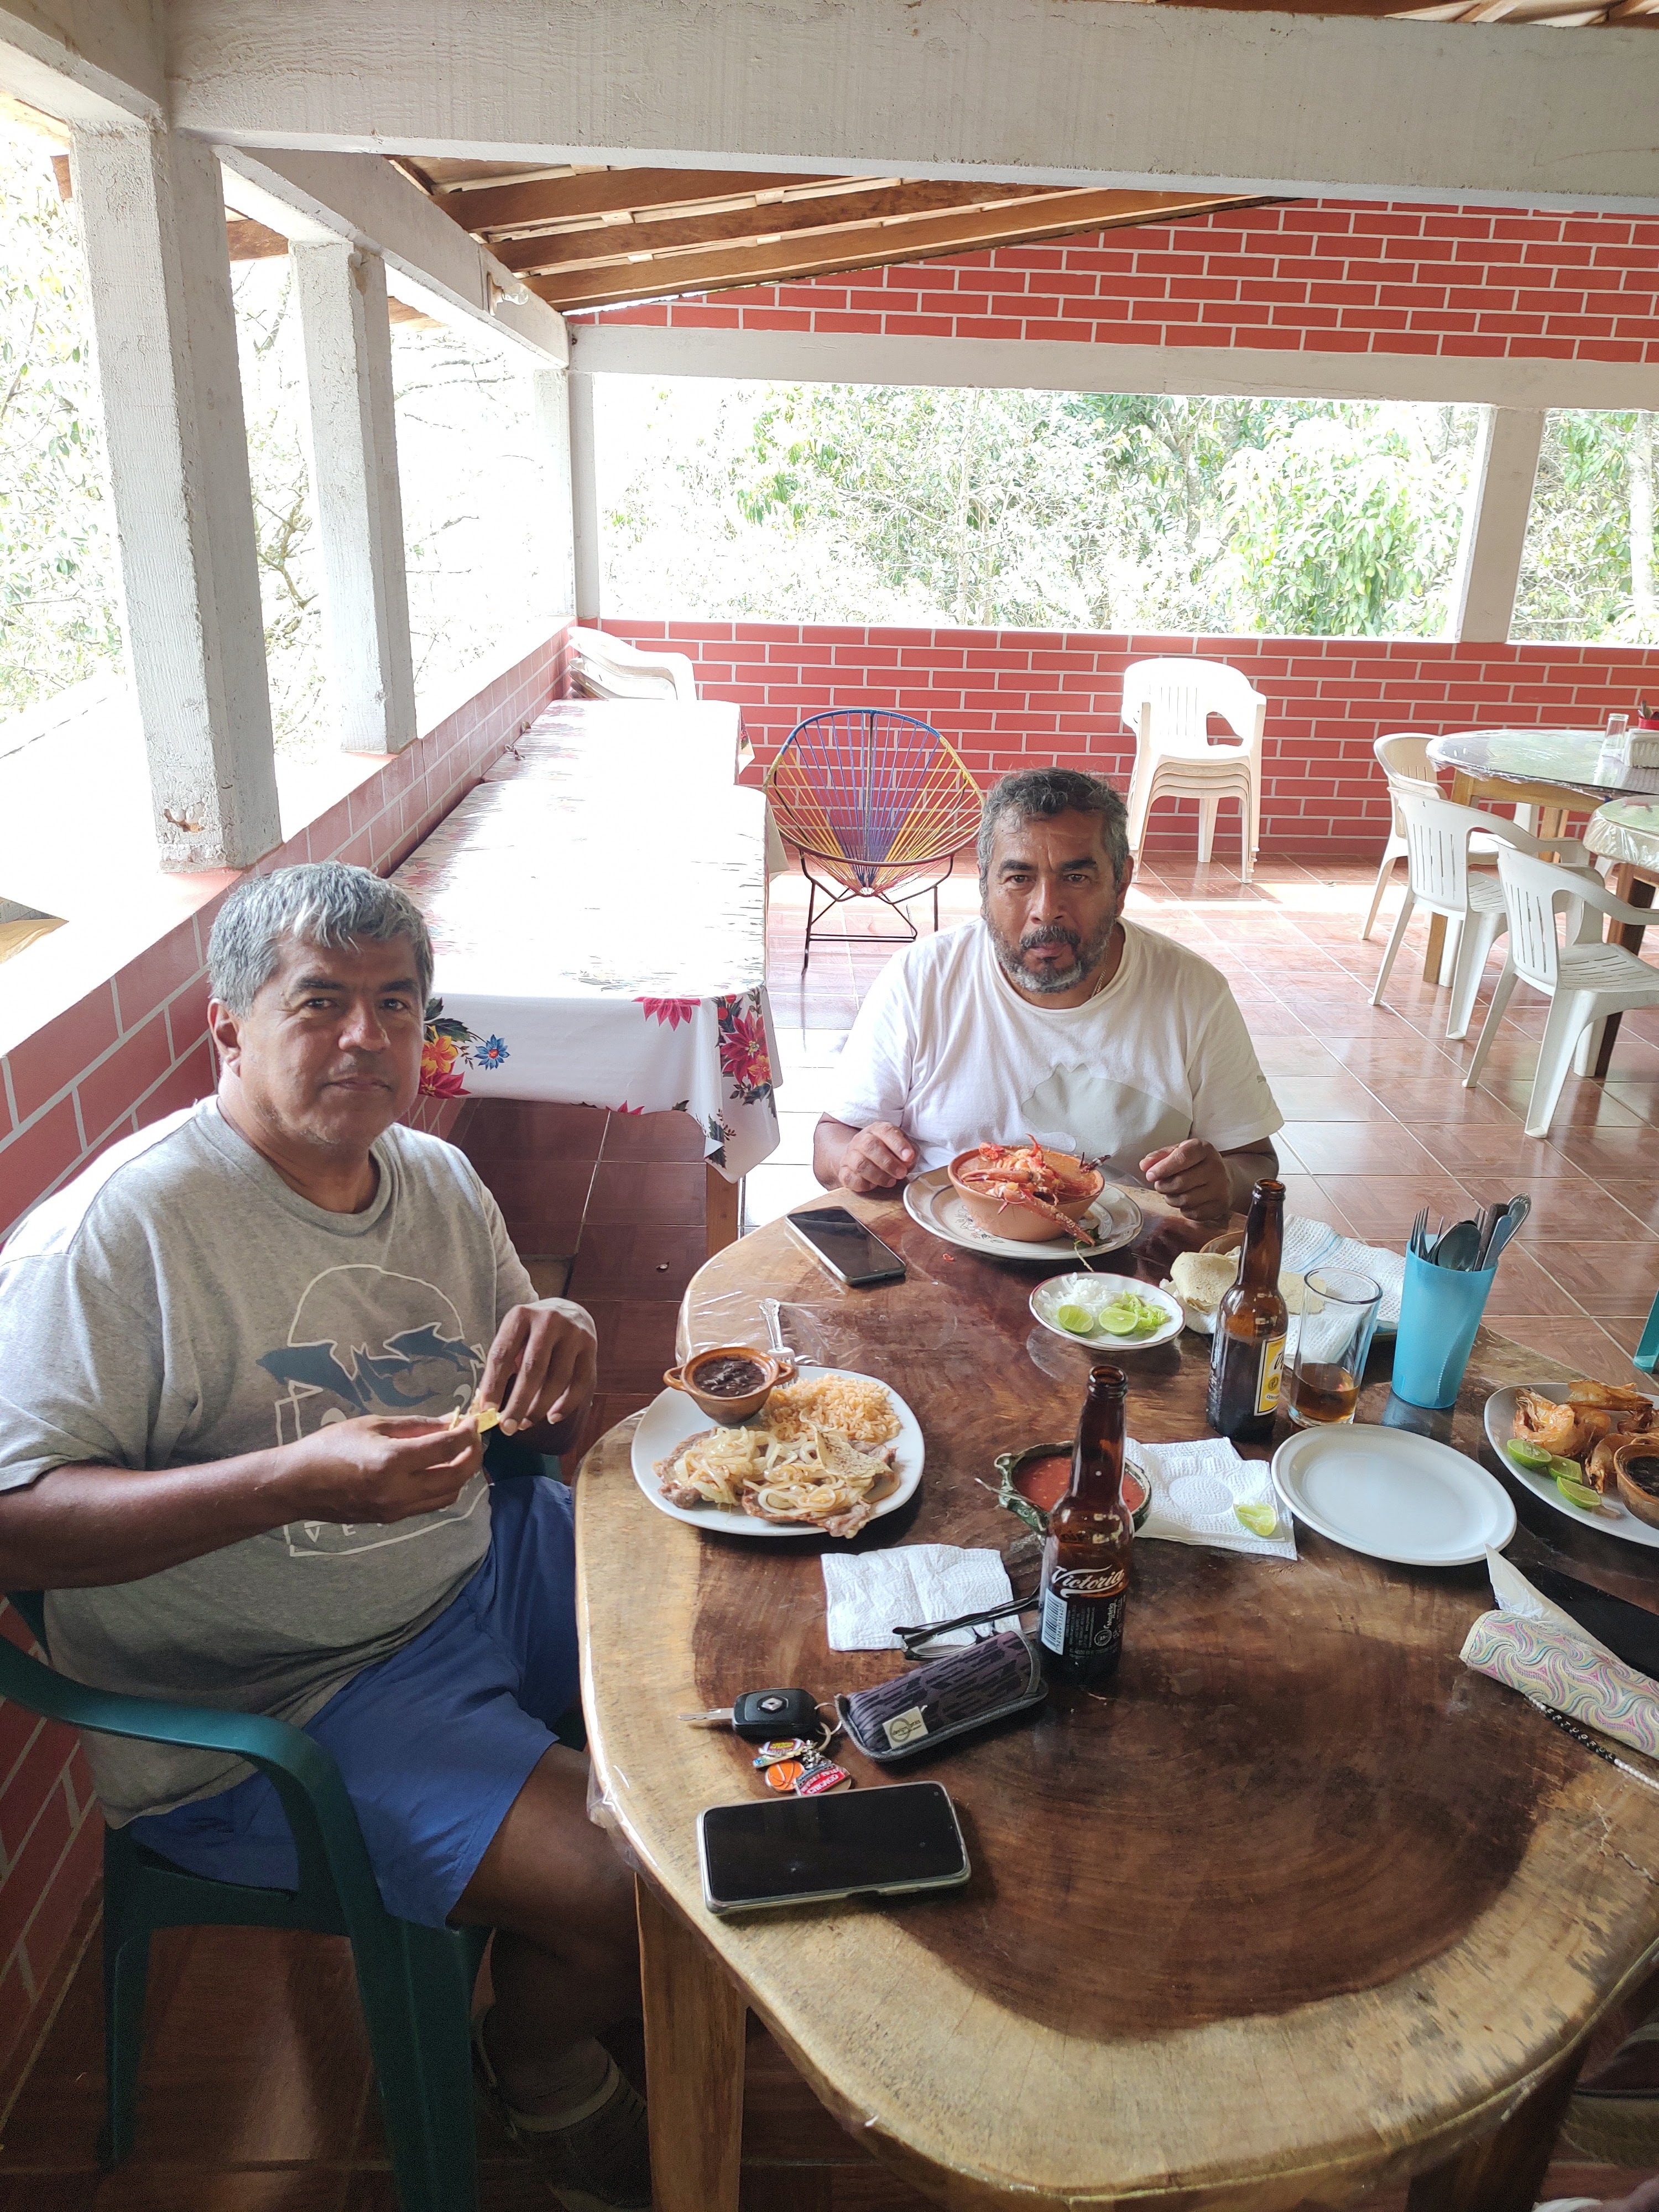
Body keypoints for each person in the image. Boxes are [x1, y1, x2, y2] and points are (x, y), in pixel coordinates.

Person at [0, 863, 648, 2212]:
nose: (368, 1037)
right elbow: (14, 1532)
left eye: (398, 1005)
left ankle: (591, 1969)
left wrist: (564, 1337)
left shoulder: (435, 1174)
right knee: (624, 1884)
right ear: (227, 1028)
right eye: (323, 1002)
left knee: (729, 1680)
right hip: (287, 1691)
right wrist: (283, 1482)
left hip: (478, 1564)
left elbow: (518, 1359)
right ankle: (532, 2063)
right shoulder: (124, 1234)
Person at [813, 765, 1282, 1229]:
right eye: (1019, 879)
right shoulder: (921, 979)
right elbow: (831, 1143)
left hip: (1121, 1270)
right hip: (941, 1246)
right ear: (985, 886)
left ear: (1121, 885)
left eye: (1076, 879)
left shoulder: (1193, 992)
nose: (1045, 910)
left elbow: (1254, 1162)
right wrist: (853, 1159)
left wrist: (1223, 1183)